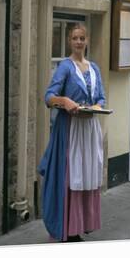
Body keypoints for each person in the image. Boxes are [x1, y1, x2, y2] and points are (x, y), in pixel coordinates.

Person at [38, 24, 106, 242]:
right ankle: (65, 227)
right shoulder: (65, 67)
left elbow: (101, 97)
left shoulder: (94, 68)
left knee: (85, 175)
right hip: (70, 130)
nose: (78, 42)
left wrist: (97, 107)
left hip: (89, 129)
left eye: (82, 38)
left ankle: (80, 224)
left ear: (87, 41)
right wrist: (64, 101)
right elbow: (49, 96)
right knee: (71, 175)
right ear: (70, 41)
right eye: (75, 38)